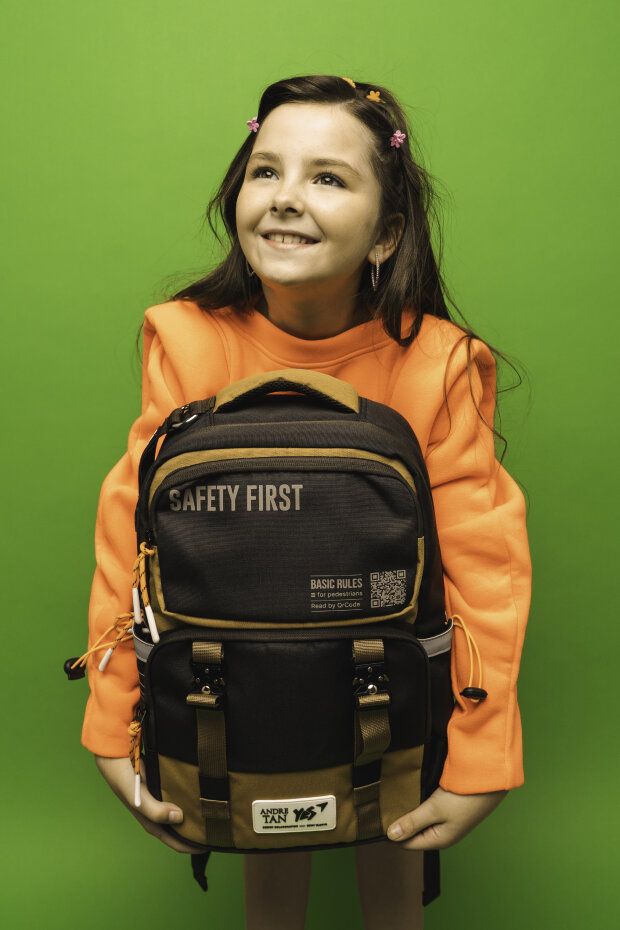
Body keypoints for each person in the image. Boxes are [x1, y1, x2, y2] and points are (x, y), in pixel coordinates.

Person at [81, 75, 531, 930]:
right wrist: (114, 726)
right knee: (259, 834)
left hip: (386, 681)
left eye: (327, 177)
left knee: (394, 837)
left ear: (387, 232)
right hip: (232, 685)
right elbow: (129, 538)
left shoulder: (437, 363)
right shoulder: (187, 337)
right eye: (266, 171)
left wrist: (482, 758)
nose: (286, 197)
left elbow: (486, 570)